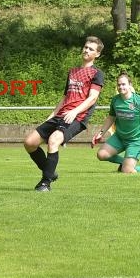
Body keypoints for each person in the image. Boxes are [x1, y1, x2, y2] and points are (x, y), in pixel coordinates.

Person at [24, 36, 105, 191]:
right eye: (86, 47)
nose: (86, 50)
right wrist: (53, 114)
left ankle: (45, 183)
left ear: (97, 54)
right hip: (61, 114)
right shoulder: (73, 72)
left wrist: (74, 112)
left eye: (91, 49)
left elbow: (92, 98)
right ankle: (50, 172)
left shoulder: (97, 73)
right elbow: (65, 97)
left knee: (53, 141)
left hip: (77, 117)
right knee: (29, 143)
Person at [91, 72, 140, 173]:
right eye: (119, 84)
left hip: (136, 140)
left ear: (130, 85)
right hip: (120, 137)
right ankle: (126, 163)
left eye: (123, 84)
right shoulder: (115, 100)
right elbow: (111, 118)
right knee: (101, 154)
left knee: (127, 170)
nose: (121, 87)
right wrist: (100, 133)